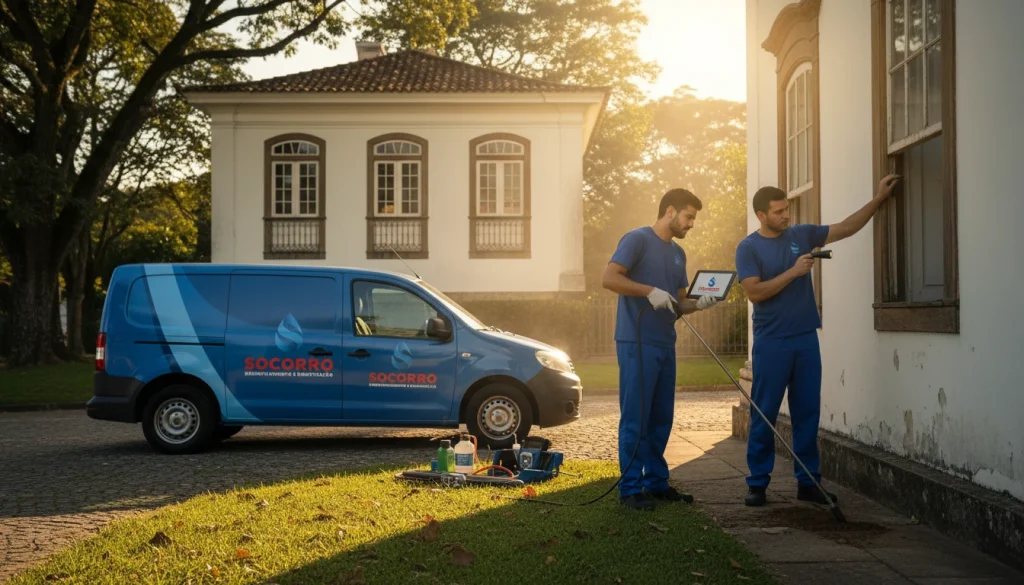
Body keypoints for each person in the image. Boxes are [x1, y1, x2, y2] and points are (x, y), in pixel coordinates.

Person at [736, 174, 899, 507]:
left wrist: (878, 199)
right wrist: (794, 272)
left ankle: (808, 482)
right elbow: (754, 292)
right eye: (779, 211)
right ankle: (757, 482)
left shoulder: (802, 234)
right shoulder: (749, 247)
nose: (786, 215)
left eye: (787, 209)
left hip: (805, 339)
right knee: (764, 413)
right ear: (762, 216)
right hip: (772, 342)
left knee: (807, 413)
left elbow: (845, 228)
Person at [602, 188, 720, 510]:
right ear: (670, 211)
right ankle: (630, 489)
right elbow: (609, 277)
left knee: (660, 417)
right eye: (689, 217)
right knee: (636, 417)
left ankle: (656, 482)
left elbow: (679, 303)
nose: (691, 224)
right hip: (636, 340)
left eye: (693, 218)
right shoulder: (636, 239)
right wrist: (648, 290)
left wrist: (700, 303)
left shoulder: (678, 254)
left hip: (664, 342)